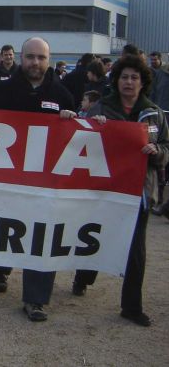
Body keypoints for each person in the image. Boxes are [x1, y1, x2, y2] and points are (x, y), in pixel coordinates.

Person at [0, 37, 76, 321]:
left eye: (41, 57)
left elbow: (75, 138)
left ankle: (36, 299)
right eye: (30, 57)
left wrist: (70, 120)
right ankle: (0, 270)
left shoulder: (63, 95)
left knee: (43, 235)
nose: (35, 63)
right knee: (6, 228)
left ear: (49, 60)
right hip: (9, 177)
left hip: (45, 183)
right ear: (20, 58)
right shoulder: (3, 91)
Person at [72, 55, 164, 327]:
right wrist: (94, 126)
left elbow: (166, 146)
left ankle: (132, 306)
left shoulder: (154, 112)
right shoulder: (102, 108)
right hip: (103, 188)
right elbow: (81, 140)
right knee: (94, 237)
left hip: (138, 192)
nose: (129, 81)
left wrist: (157, 152)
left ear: (142, 81)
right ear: (117, 79)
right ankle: (84, 276)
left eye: (134, 77)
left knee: (136, 250)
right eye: (124, 76)